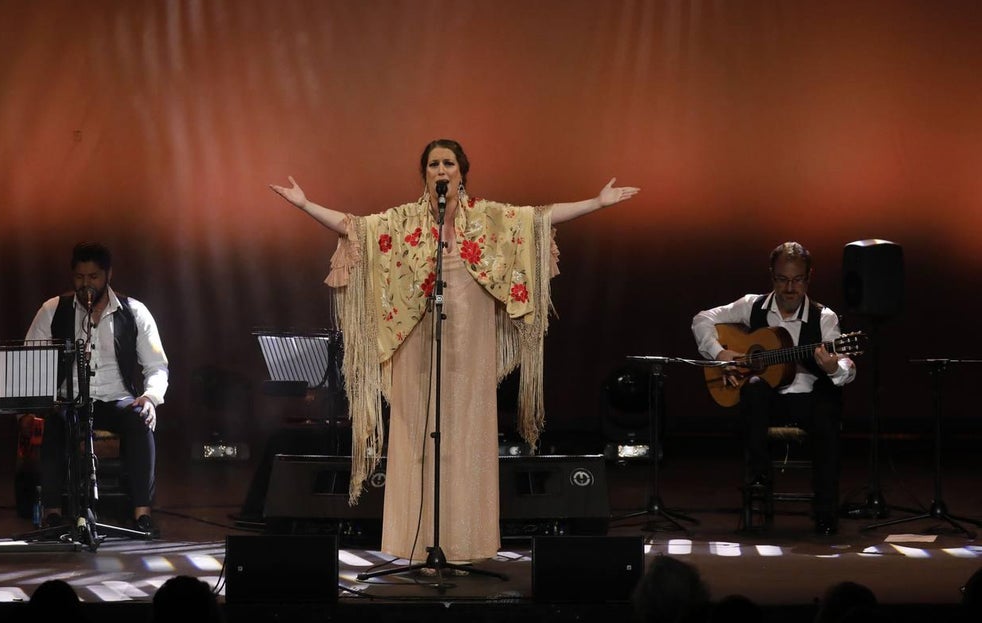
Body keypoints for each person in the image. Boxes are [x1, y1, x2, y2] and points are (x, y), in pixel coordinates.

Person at [269, 139, 639, 562]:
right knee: (417, 436)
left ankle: (465, 545)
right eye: (432, 164)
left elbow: (539, 219)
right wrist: (305, 204)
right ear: (424, 173)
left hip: (470, 346)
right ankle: (418, 543)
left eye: (448, 163)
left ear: (462, 171)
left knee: (466, 438)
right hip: (418, 348)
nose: (440, 170)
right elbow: (353, 227)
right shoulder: (403, 221)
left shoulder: (488, 218)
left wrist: (596, 202)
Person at [692, 241, 856, 536]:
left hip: (810, 400)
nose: (790, 288)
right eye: (782, 279)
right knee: (754, 388)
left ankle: (826, 512)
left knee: (828, 413)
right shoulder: (752, 305)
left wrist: (833, 367)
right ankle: (759, 480)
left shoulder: (825, 318)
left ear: (809, 278)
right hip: (768, 402)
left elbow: (846, 367)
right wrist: (720, 354)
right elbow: (702, 318)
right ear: (772, 276)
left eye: (797, 280)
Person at [26, 241, 169, 535]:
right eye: (79, 277)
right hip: (71, 401)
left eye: (93, 277)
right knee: (53, 424)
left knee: (141, 419)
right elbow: (30, 360)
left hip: (116, 399)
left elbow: (157, 365)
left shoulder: (134, 312)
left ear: (108, 275)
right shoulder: (53, 310)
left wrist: (151, 397)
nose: (86, 284)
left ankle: (142, 512)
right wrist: (47, 398)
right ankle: (52, 512)